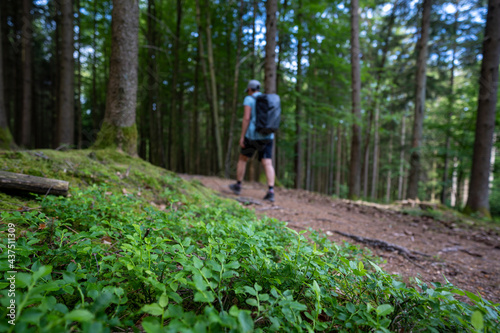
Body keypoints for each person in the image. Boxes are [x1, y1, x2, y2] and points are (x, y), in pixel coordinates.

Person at [229, 80, 275, 202]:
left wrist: (242, 136)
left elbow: (246, 118)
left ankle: (238, 185)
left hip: (253, 135)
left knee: (243, 159)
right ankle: (271, 191)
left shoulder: (249, 99)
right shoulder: (268, 99)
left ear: (249, 89)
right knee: (268, 163)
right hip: (267, 136)